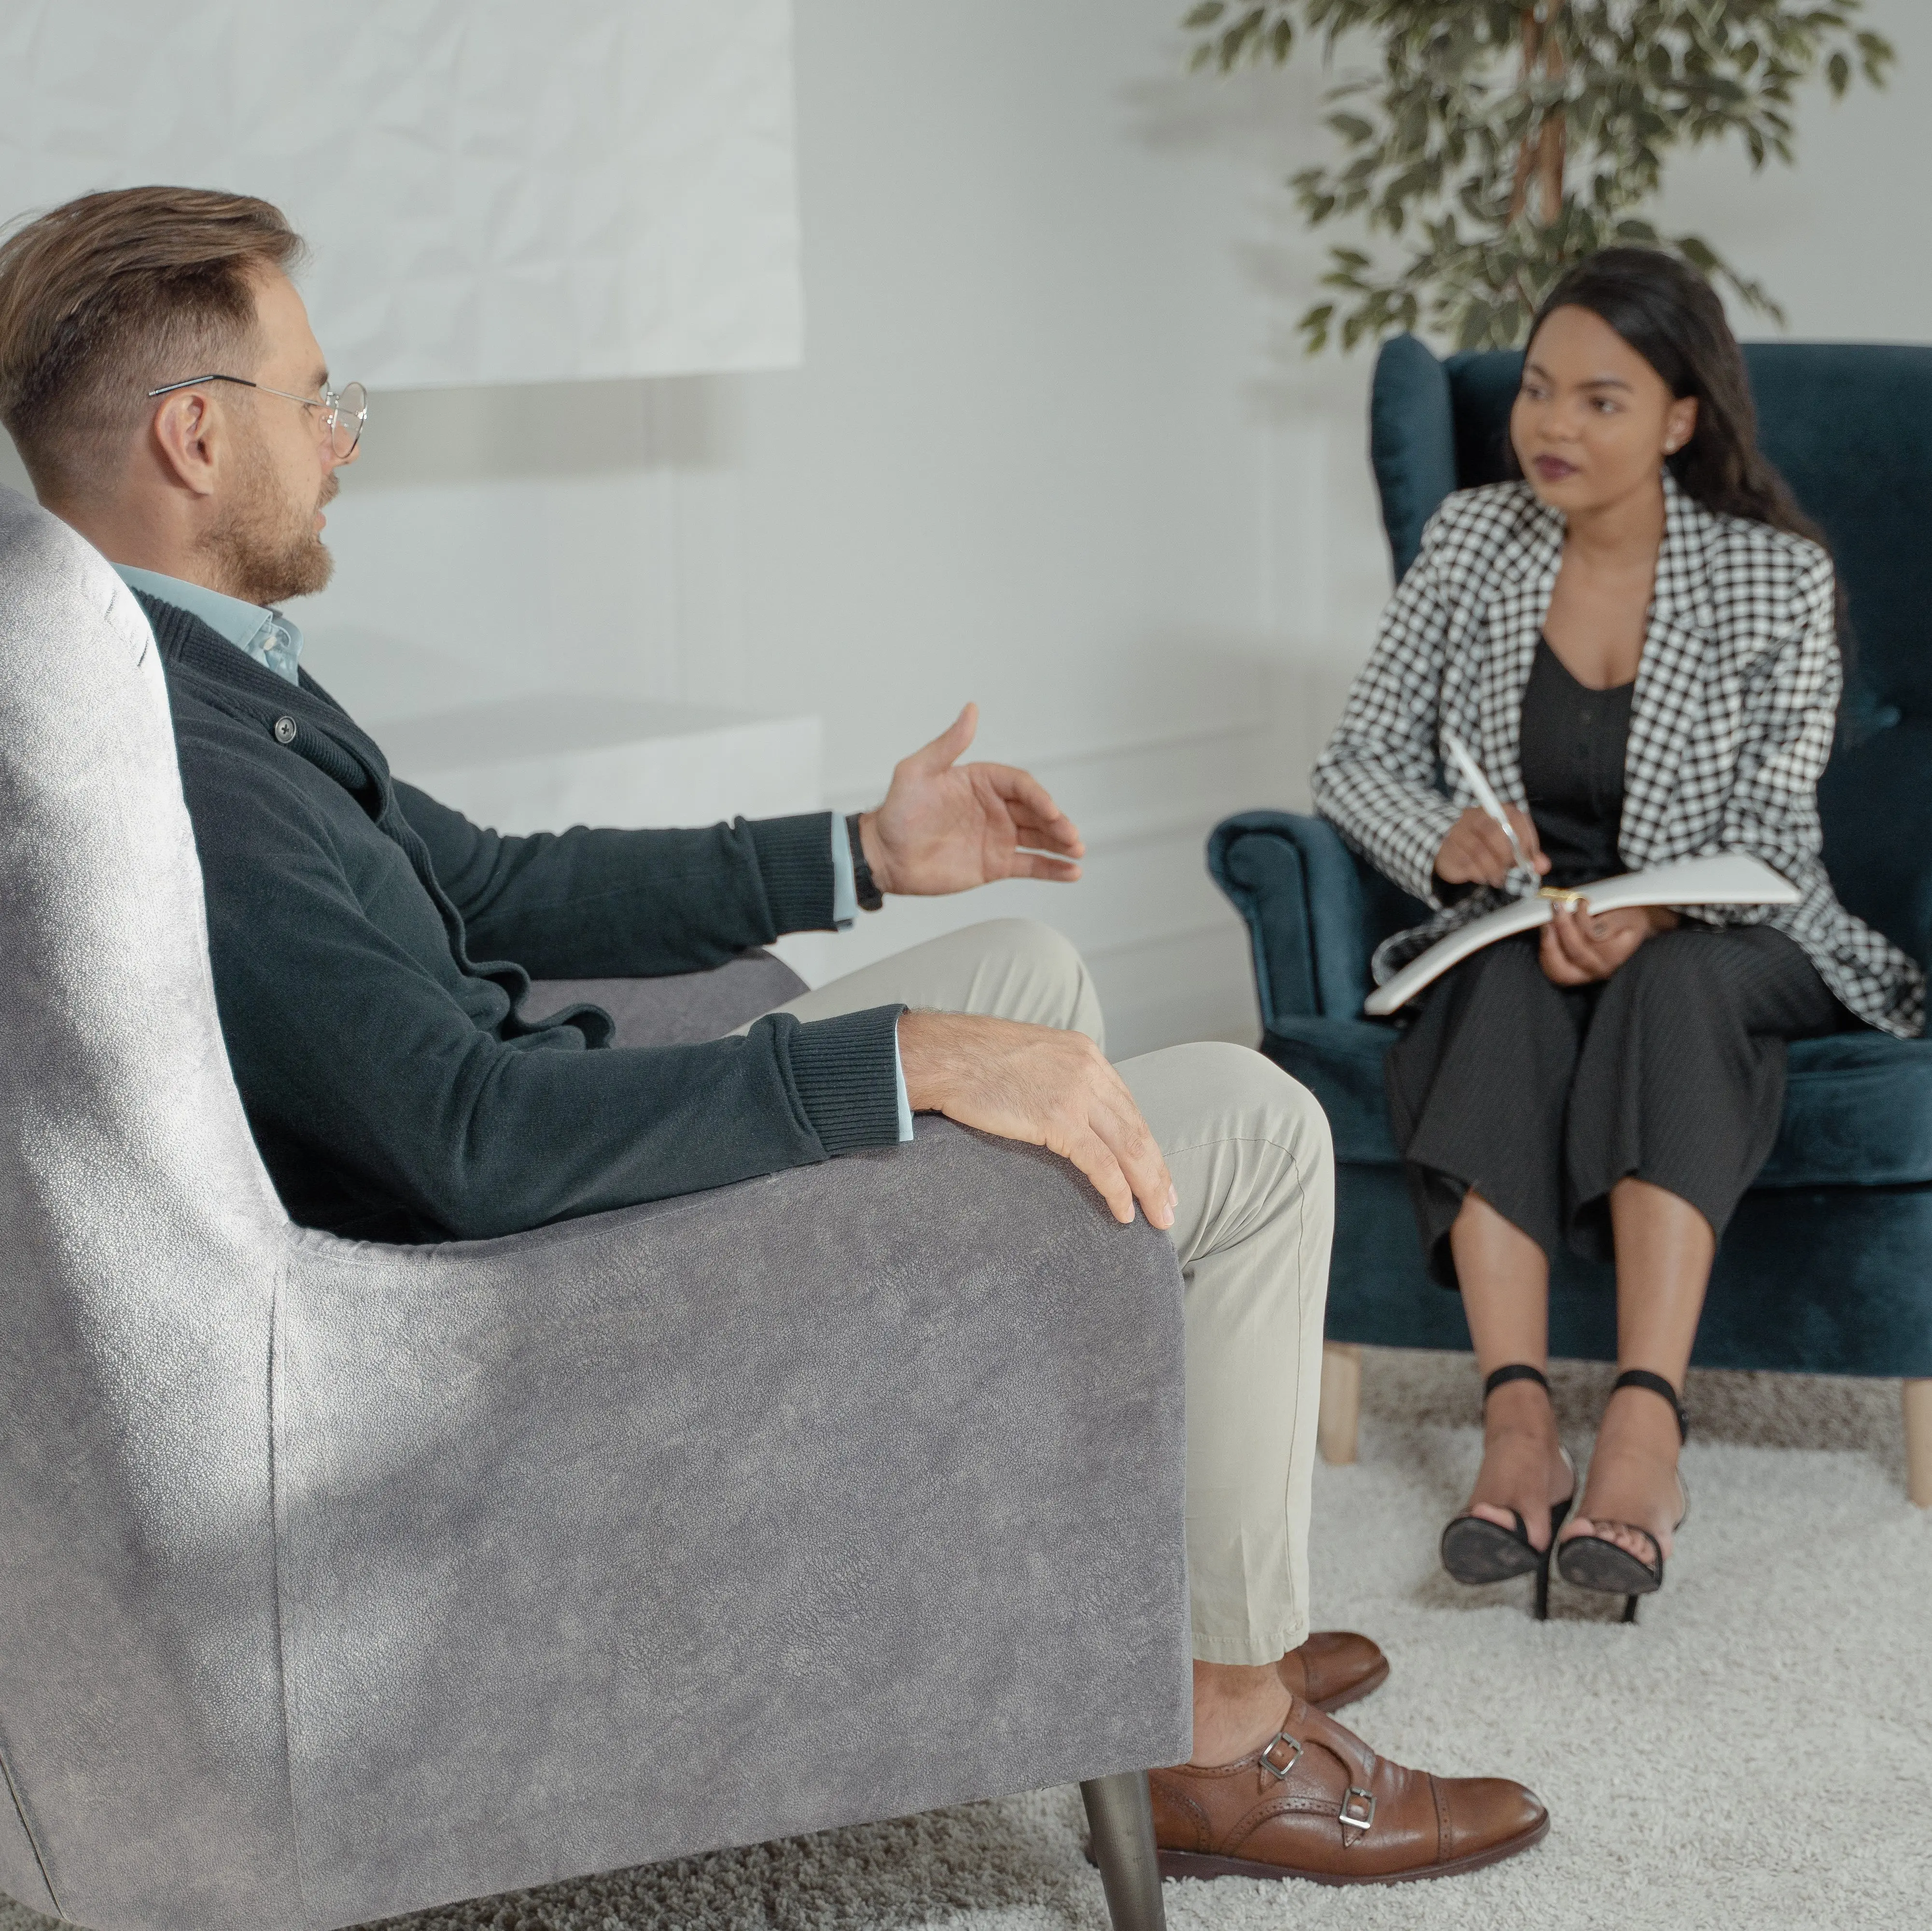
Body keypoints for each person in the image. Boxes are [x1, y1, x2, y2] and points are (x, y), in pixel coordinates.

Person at [0, 184, 1547, 1883]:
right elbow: (473, 1137)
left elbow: (490, 884)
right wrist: (898, 1065)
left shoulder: (197, 680)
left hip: (534, 1158)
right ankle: (1225, 1728)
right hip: (519, 1286)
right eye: (319, 401)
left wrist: (862, 856)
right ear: (199, 435)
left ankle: (1145, 1603)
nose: (344, 440)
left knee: (1023, 966)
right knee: (1250, 1127)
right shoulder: (198, 782)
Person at [1315, 247, 1925, 1622]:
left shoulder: (1771, 578)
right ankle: (1520, 1430)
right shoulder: (1474, 544)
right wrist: (1442, 843)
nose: (1552, 427)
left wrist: (1651, 906)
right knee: (1499, 998)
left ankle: (1645, 1439)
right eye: (1538, 391)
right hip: (1526, 920)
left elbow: (1778, 845)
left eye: (1602, 400)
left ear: (1680, 419)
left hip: (1729, 925)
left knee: (1676, 991)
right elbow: (1352, 761)